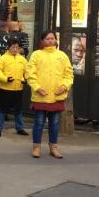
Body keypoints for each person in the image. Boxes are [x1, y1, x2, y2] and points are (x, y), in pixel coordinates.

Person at [26, 30, 74, 159]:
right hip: (40, 95)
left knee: (54, 123)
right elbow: (30, 74)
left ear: (56, 40)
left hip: (57, 96)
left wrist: (64, 87)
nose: (50, 41)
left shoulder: (62, 55)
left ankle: (54, 147)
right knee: (39, 122)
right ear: (42, 41)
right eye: (47, 39)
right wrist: (37, 88)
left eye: (52, 38)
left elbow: (69, 74)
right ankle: (36, 147)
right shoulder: (36, 55)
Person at [0, 38, 28, 137]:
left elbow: (27, 71)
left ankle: (20, 128)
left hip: (18, 89)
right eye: (13, 47)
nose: (15, 49)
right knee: (2, 110)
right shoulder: (3, 58)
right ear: (9, 47)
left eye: (17, 47)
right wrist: (5, 78)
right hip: (5, 89)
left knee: (18, 110)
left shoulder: (22, 59)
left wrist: (25, 79)